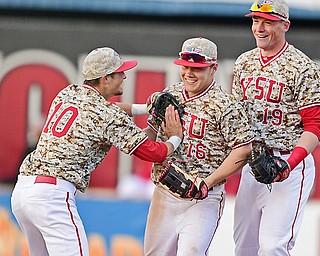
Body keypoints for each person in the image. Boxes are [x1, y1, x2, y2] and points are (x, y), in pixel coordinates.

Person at [10, 47, 183, 256]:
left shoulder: (69, 92)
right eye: (119, 72)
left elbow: (108, 110)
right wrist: (176, 137)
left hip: (23, 191)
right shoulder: (106, 115)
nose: (124, 76)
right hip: (51, 196)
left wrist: (145, 109)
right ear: (105, 78)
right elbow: (155, 153)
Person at [142, 37, 254, 256]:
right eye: (185, 67)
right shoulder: (170, 94)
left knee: (191, 252)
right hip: (165, 192)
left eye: (197, 68)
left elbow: (243, 149)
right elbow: (150, 135)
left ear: (213, 68)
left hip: (203, 197)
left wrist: (207, 183)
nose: (189, 73)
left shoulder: (225, 104)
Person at [231, 0, 320, 255]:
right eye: (255, 20)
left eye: (267, 22)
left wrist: (289, 165)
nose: (259, 27)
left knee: (272, 247)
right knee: (244, 248)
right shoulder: (244, 62)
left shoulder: (303, 67)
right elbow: (236, 120)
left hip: (288, 164)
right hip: (252, 165)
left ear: (285, 25)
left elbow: (315, 125)